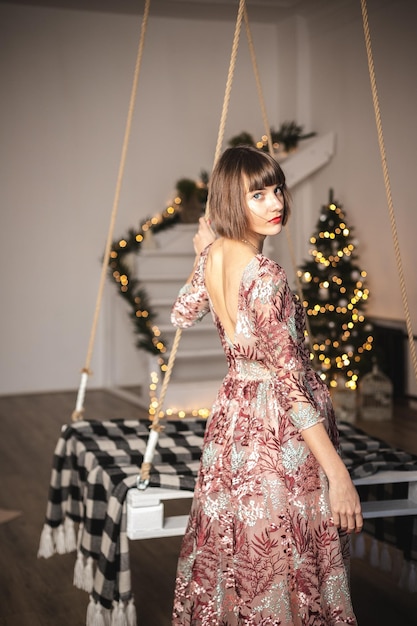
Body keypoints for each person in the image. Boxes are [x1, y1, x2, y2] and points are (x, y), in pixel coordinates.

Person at [170, 145, 362, 625]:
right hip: (278, 431)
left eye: (276, 190)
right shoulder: (266, 276)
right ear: (233, 200)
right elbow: (290, 385)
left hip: (234, 421)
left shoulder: (214, 254)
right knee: (284, 550)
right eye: (258, 195)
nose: (276, 202)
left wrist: (200, 256)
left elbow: (181, 312)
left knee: (238, 543)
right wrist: (338, 475)